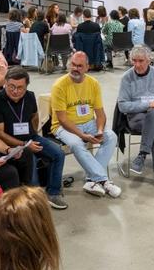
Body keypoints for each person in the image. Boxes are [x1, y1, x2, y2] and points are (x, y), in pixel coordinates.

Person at [0, 67, 69, 210]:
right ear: (5, 84)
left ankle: (53, 192)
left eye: (20, 87)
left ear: (26, 86)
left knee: (58, 153)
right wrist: (25, 144)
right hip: (12, 144)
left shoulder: (30, 96)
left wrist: (32, 136)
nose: (15, 91)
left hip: (31, 138)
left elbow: (34, 117)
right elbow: (0, 133)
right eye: (11, 86)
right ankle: (33, 197)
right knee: (31, 167)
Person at [51, 52, 120, 198]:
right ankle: (103, 180)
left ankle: (91, 179)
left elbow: (100, 113)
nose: (75, 68)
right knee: (76, 143)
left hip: (89, 122)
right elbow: (62, 119)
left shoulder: (93, 83)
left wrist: (100, 130)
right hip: (63, 127)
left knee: (111, 136)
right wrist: (82, 135)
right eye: (73, 65)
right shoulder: (59, 86)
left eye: (80, 66)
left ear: (87, 67)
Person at [116, 46, 154, 189]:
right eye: (134, 61)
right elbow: (122, 105)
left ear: (149, 60)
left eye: (141, 61)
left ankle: (142, 154)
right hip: (137, 118)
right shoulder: (127, 78)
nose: (137, 65)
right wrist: (148, 105)